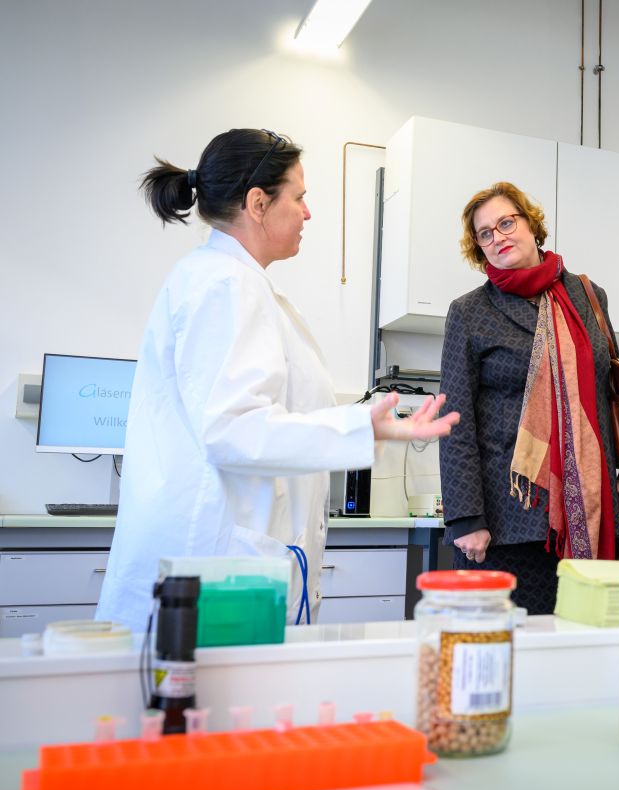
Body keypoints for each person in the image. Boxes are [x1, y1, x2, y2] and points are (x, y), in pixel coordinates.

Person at [95, 129, 459, 632]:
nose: (308, 212)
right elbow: (234, 429)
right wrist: (357, 429)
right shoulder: (225, 285)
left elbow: (258, 419)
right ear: (258, 203)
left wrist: (366, 427)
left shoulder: (232, 282)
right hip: (219, 569)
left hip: (228, 560)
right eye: (300, 196)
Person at [438, 182, 619, 614]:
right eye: (485, 233)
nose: (498, 236)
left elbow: (608, 394)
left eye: (506, 222)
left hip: (590, 513)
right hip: (507, 520)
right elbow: (454, 419)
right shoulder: (469, 311)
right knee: (509, 656)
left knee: (584, 647)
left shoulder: (589, 296)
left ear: (531, 224)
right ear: (478, 249)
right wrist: (466, 518)